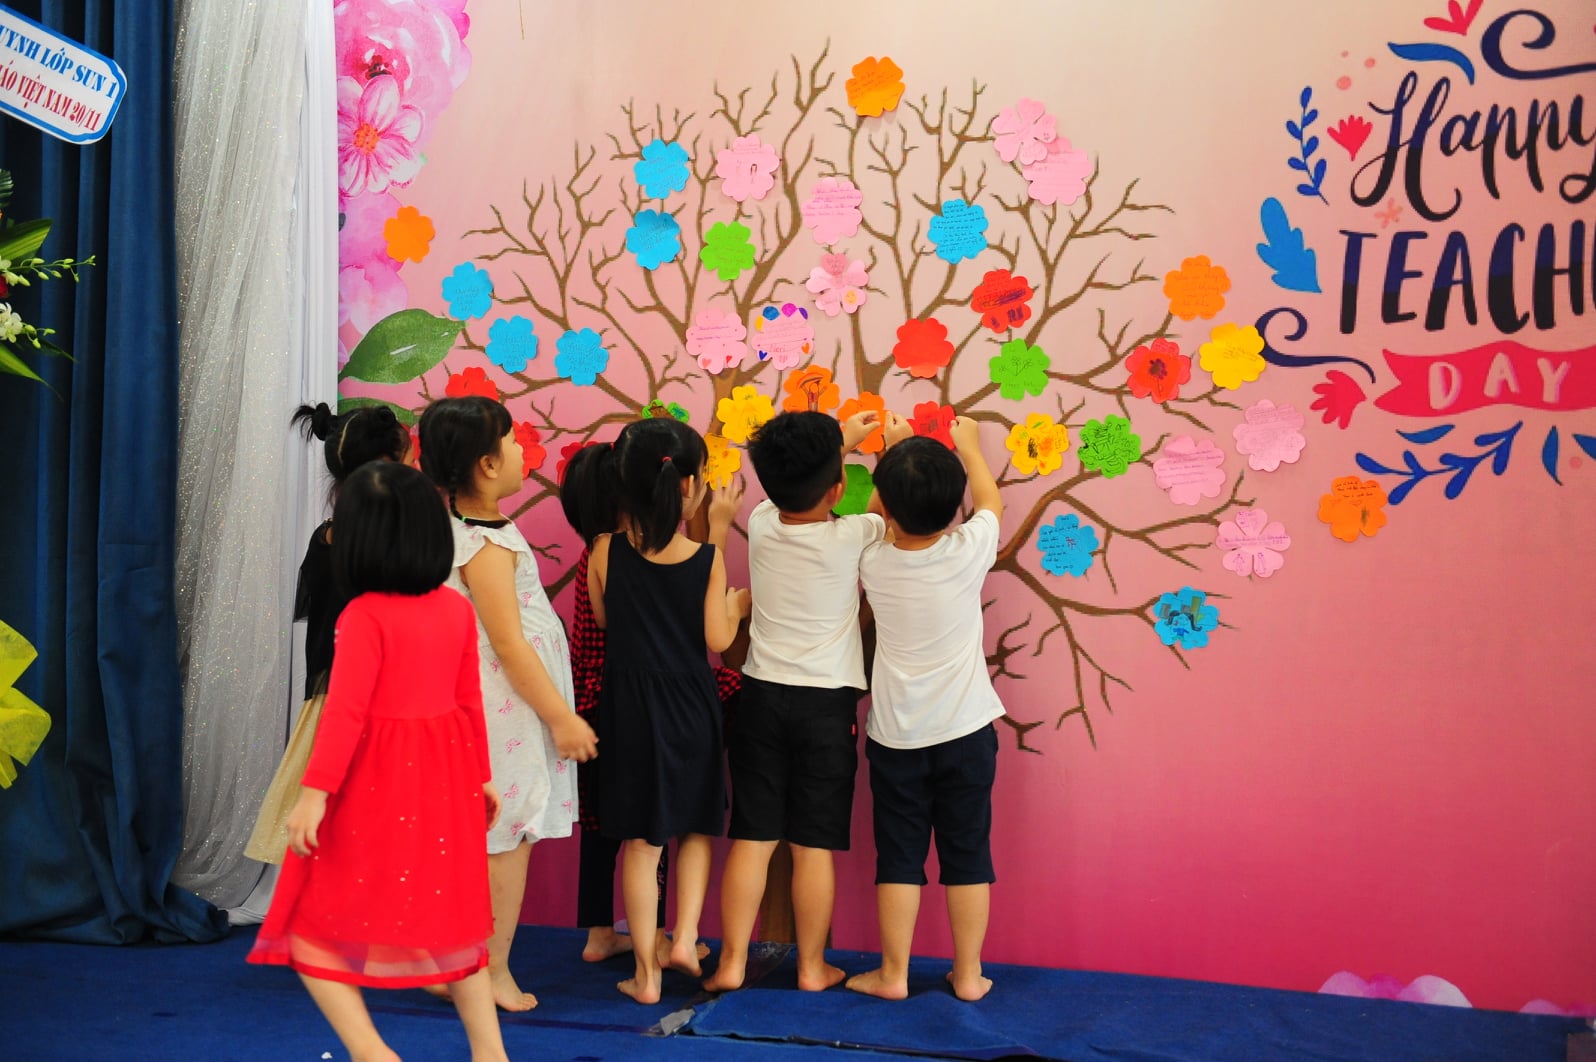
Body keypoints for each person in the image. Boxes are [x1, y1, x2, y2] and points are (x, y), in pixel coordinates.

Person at [246, 461, 508, 1062]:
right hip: (444, 778)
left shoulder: (362, 616)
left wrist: (313, 795)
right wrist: (482, 775)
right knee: (457, 926)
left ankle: (370, 1051)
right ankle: (490, 1053)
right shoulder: (456, 609)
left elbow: (345, 713)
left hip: (375, 782)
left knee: (306, 924)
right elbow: (469, 701)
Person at [418, 396, 597, 1012]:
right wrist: (561, 717)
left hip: (489, 708)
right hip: (505, 713)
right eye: (514, 441)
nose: (524, 450)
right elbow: (510, 645)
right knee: (505, 837)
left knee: (481, 839)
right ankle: (490, 969)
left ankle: (454, 962)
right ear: (488, 465)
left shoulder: (472, 529)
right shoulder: (484, 545)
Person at [704, 409, 883, 994]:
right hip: (826, 708)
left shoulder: (760, 521)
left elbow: (805, 490)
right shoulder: (855, 535)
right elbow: (883, 506)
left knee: (753, 840)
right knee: (812, 847)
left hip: (760, 698)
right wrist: (868, 449)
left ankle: (732, 963)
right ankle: (811, 967)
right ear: (837, 488)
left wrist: (839, 449)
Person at [558, 435, 744, 967]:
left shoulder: (601, 551)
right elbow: (717, 637)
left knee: (638, 842)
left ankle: (645, 971)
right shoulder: (704, 557)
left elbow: (603, 619)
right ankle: (681, 939)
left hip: (625, 707)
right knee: (692, 828)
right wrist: (736, 606)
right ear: (687, 486)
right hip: (687, 705)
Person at [847, 413, 1006, 1004]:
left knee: (899, 858)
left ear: (886, 507)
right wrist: (968, 446)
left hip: (896, 739)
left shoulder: (872, 560)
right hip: (967, 733)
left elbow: (881, 518)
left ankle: (894, 974)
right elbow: (990, 501)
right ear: (952, 507)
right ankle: (968, 975)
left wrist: (890, 453)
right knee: (968, 856)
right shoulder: (969, 549)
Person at [245, 402, 411, 866]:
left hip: (339, 696)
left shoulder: (330, 535)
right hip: (366, 700)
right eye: (410, 465)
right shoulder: (387, 544)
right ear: (386, 469)